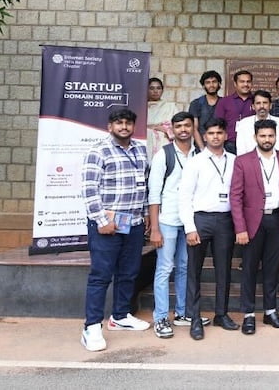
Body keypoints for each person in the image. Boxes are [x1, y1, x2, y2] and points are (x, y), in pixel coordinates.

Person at [80, 109, 150, 351]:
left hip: (133, 223)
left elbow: (144, 185)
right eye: (119, 123)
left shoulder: (141, 149)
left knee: (128, 273)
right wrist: (101, 221)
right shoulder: (98, 151)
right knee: (101, 276)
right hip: (107, 225)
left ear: (134, 126)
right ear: (110, 126)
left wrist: (146, 214)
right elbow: (89, 189)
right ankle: (91, 327)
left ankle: (120, 316)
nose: (124, 126)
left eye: (128, 123)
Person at [230, 119, 279, 334]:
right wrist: (240, 228)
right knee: (249, 269)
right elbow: (235, 196)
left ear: (276, 137)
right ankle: (248, 314)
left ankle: (270, 311)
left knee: (272, 268)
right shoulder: (243, 161)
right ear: (255, 137)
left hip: (276, 219)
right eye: (263, 136)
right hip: (251, 223)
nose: (267, 140)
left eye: (271, 136)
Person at [179, 118, 238, 340]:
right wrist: (189, 227)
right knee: (194, 270)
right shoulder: (195, 162)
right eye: (211, 133)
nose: (215, 136)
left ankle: (221, 314)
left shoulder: (234, 161)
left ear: (225, 135)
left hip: (225, 220)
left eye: (219, 133)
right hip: (200, 219)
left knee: (224, 270)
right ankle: (195, 318)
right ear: (204, 136)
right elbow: (184, 196)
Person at [148, 111, 203, 339]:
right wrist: (155, 228)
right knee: (164, 269)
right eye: (178, 126)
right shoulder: (164, 154)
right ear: (172, 128)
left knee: (184, 267)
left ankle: (182, 312)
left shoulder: (199, 154)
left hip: (188, 222)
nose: (183, 130)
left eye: (187, 126)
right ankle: (161, 317)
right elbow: (154, 193)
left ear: (193, 128)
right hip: (168, 220)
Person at [214, 70, 254, 154]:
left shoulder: (257, 101)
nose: (246, 84)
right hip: (230, 143)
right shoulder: (224, 101)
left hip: (251, 143)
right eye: (242, 82)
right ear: (235, 84)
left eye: (248, 81)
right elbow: (218, 123)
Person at [236, 90, 279, 155]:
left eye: (265, 103)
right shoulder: (243, 124)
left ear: (270, 105)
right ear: (253, 106)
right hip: (249, 162)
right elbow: (241, 151)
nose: (262, 106)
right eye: (258, 103)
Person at [147, 77, 180, 157]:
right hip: (146, 144)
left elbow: (178, 125)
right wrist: (155, 127)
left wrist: (167, 129)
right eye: (151, 88)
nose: (155, 91)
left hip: (164, 144)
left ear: (162, 90)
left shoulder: (170, 107)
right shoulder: (141, 107)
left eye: (158, 88)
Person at [189, 70, 222, 151]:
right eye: (208, 82)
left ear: (219, 84)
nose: (211, 85)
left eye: (214, 82)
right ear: (203, 86)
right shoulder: (196, 103)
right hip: (201, 147)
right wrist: (202, 149)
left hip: (221, 147)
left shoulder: (224, 103)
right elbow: (194, 128)